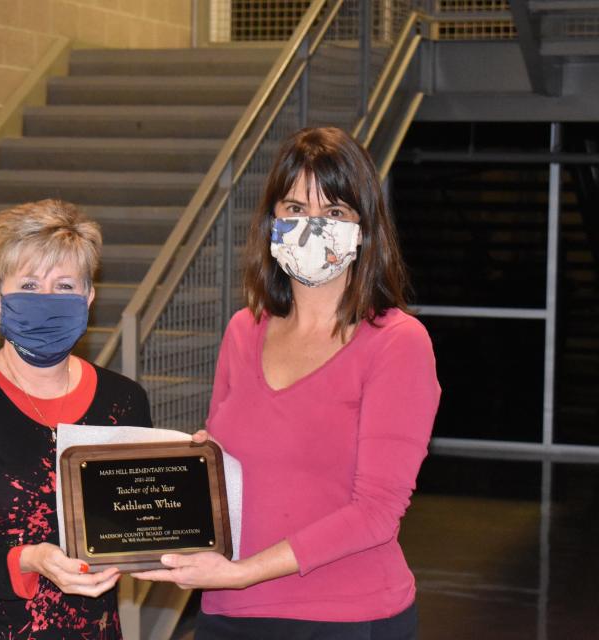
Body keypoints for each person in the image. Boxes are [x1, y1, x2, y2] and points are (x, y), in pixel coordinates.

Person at [133, 127, 441, 639]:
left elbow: (376, 513)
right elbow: (231, 469)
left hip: (344, 617)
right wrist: (197, 473)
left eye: (335, 212)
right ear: (272, 222)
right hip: (229, 612)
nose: (312, 226)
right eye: (295, 209)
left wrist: (242, 573)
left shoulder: (397, 343)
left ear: (363, 230)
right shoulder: (243, 330)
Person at [0, 199, 152, 639]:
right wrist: (26, 560)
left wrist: (193, 477)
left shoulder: (124, 402)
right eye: (30, 286)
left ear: (89, 299)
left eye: (65, 286)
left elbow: (141, 531)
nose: (48, 301)